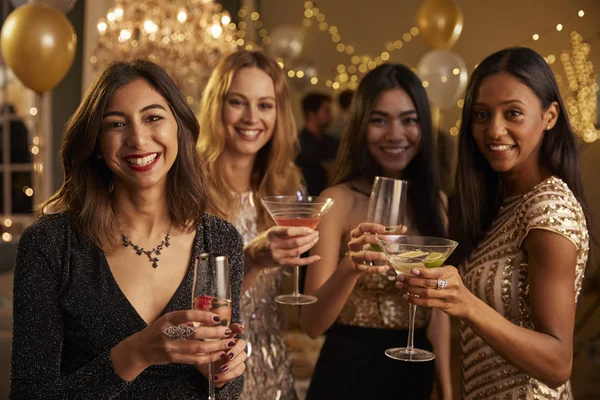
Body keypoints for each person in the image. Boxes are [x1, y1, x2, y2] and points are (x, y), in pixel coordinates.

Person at [10, 60, 247, 399]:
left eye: (153, 117)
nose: (138, 138)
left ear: (179, 127)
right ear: (96, 143)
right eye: (116, 124)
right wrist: (135, 354)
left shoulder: (221, 239)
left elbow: (227, 381)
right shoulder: (49, 245)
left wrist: (223, 375)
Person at [399, 47, 590, 399]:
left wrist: (467, 304)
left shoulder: (549, 207)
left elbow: (557, 363)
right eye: (482, 115)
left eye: (513, 113)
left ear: (549, 117)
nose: (494, 130)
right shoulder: (501, 203)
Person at [301, 64, 452, 399]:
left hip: (414, 373)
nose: (395, 134)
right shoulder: (335, 201)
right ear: (360, 126)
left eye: (409, 120)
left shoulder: (435, 202)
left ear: (423, 126)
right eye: (379, 120)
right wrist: (349, 267)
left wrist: (447, 389)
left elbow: (438, 312)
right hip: (348, 372)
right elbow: (311, 324)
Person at [197, 50, 319, 400]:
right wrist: (252, 258)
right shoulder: (188, 190)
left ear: (279, 113)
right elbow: (188, 304)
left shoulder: (288, 186)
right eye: (238, 102)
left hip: (273, 365)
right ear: (216, 106)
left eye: (265, 105)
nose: (252, 117)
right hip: (213, 369)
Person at [296, 92, 337, 196]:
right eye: (326, 111)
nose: (331, 115)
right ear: (311, 114)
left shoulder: (333, 141)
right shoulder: (298, 144)